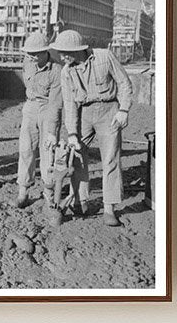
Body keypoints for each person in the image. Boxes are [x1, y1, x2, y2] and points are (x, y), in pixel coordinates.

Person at [52, 29, 134, 226]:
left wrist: (123, 110)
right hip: (84, 114)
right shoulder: (66, 72)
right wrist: (72, 133)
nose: (62, 57)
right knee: (77, 156)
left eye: (66, 53)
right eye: (60, 52)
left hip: (109, 111)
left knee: (110, 159)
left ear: (79, 50)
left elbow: (124, 83)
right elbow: (70, 104)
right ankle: (81, 202)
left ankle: (109, 208)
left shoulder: (104, 57)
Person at [16, 31, 63, 216]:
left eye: (36, 54)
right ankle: (23, 190)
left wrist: (52, 131)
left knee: (47, 152)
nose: (32, 57)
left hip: (48, 108)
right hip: (30, 106)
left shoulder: (56, 70)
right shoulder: (27, 62)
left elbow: (55, 104)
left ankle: (48, 193)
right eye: (29, 54)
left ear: (46, 52)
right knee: (26, 149)